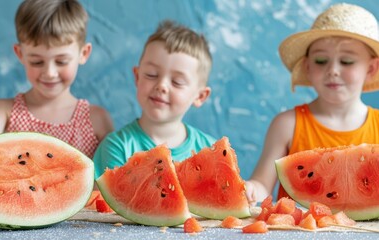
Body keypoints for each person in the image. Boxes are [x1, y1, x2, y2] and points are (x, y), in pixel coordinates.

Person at [245, 3, 379, 205]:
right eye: (321, 60)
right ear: (307, 67)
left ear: (371, 68)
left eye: (347, 62)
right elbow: (262, 185)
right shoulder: (286, 124)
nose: (333, 70)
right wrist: (251, 189)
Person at [0, 0, 113, 158]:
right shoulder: (4, 111)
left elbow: (111, 171)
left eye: (61, 61)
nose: (50, 72)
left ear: (83, 53)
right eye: (37, 62)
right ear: (20, 54)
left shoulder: (97, 119)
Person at [94, 20, 216, 178]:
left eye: (177, 82)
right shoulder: (116, 146)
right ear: (137, 77)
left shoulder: (210, 150)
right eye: (151, 74)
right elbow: (112, 200)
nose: (162, 86)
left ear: (200, 96)